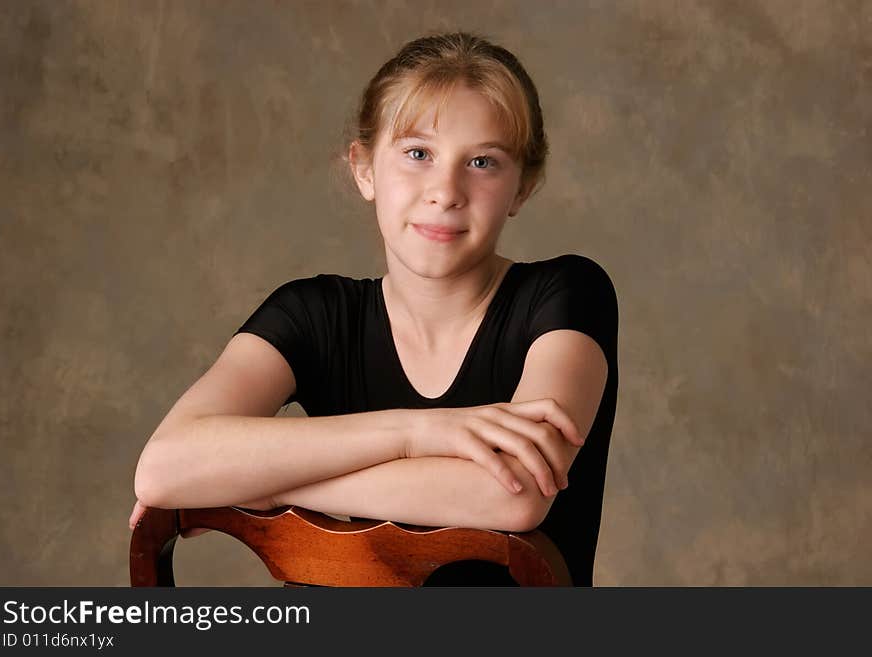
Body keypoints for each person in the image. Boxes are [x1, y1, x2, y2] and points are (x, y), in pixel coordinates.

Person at [131, 31, 618, 586]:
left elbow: (511, 498)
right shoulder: (312, 314)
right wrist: (413, 434)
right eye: (417, 154)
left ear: (523, 187)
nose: (445, 190)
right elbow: (164, 466)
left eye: (482, 162)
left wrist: (272, 486)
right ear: (365, 169)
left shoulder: (568, 293)